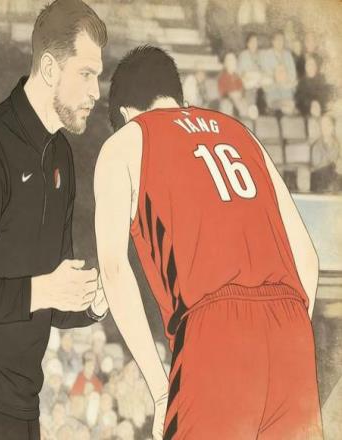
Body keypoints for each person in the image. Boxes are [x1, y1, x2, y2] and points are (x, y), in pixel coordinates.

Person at [95, 46, 322, 439]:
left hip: (215, 332)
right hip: (291, 330)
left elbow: (114, 270)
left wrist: (161, 390)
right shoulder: (242, 134)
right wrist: (289, 340)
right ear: (181, 99)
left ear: (127, 114)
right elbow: (308, 260)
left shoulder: (126, 141)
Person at [0, 1, 109, 439]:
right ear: (49, 68)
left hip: (24, 405)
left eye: (98, 76)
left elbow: (51, 302)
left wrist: (96, 300)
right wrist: (45, 288)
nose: (96, 92)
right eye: (86, 74)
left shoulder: (61, 155)